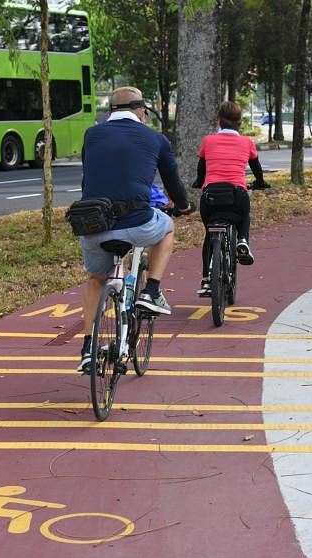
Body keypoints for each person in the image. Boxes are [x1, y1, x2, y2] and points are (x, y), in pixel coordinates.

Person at [76, 86, 194, 373]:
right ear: (141, 111)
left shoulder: (92, 135)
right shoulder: (156, 138)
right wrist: (184, 205)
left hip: (92, 224)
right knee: (167, 228)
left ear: (111, 111)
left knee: (95, 279)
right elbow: (174, 183)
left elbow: (90, 176)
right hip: (137, 224)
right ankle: (151, 290)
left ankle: (88, 349)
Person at [192, 100, 269, 296]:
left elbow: (201, 167)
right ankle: (242, 240)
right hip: (237, 195)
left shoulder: (208, 141)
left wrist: (199, 182)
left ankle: (207, 279)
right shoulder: (247, 142)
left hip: (210, 197)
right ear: (239, 123)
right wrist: (260, 183)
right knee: (244, 216)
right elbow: (256, 168)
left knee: (209, 235)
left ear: (219, 121)